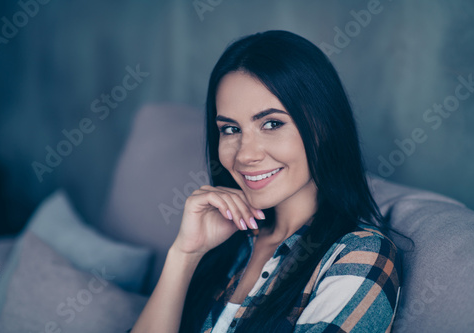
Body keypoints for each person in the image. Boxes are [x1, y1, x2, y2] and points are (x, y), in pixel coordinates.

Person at [131, 30, 402, 333]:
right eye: (231, 129)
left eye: (272, 124)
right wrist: (184, 255)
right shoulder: (227, 243)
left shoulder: (359, 256)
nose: (245, 155)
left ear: (324, 127)